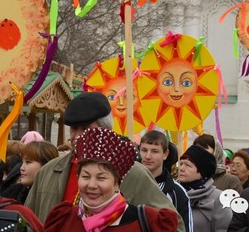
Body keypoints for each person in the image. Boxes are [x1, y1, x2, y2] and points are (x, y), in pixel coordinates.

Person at [25, 91, 184, 231]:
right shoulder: (49, 171)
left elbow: (174, 227)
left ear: (105, 129)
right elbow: (26, 222)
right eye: (74, 128)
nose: (77, 136)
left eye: (85, 128)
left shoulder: (134, 173)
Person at [44, 127, 178, 231]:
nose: (91, 185)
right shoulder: (64, 218)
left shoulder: (147, 221)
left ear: (117, 184)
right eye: (85, 176)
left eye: (101, 178)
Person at [139, 130, 193, 232]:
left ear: (165, 154)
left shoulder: (177, 192)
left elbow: (186, 228)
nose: (148, 156)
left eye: (155, 151)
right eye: (144, 150)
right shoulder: (128, 185)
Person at [178, 144, 233, 231]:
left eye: (188, 165)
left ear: (202, 171)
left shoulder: (219, 199)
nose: (181, 168)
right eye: (181, 164)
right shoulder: (172, 194)